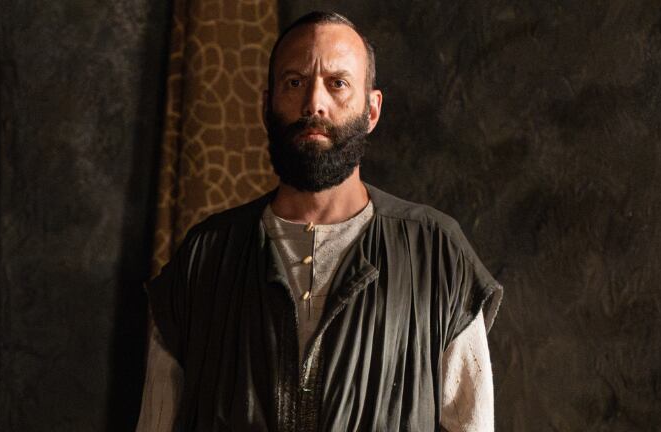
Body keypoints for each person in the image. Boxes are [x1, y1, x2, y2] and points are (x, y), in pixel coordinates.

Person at [136, 11, 503, 432]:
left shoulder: (436, 255)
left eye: (337, 83)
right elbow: (155, 422)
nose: (314, 103)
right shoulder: (205, 257)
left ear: (372, 110)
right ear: (266, 105)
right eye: (294, 82)